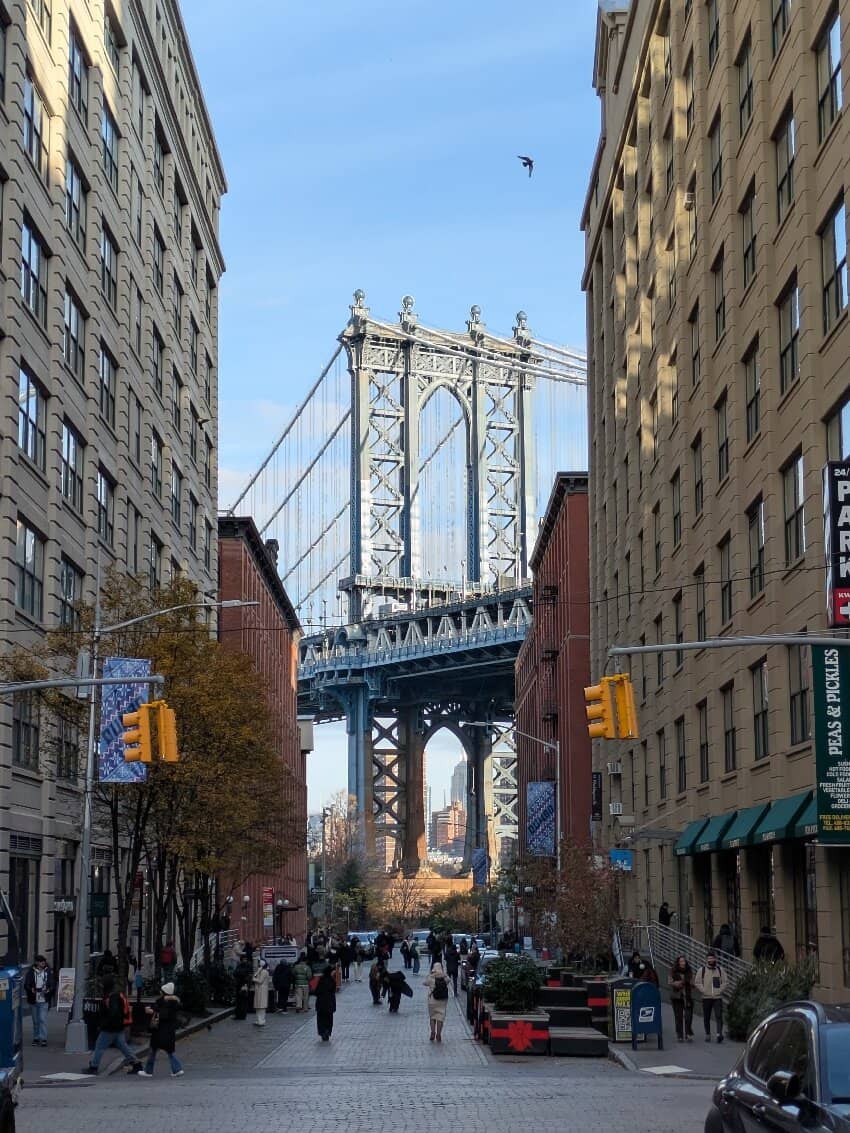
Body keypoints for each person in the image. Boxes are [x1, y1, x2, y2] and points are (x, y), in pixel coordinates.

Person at [83, 976, 143, 1075]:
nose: (101, 986)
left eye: (102, 984)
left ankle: (94, 1066)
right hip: (118, 1026)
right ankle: (136, 1063)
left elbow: (113, 1013)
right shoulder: (117, 994)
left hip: (110, 1027)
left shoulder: (111, 997)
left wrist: (103, 1024)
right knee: (123, 1046)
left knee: (99, 1046)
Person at [138, 981, 183, 1077]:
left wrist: (152, 1011)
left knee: (154, 1050)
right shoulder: (174, 1002)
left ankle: (149, 1071)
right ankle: (176, 1069)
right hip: (169, 1030)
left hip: (160, 1030)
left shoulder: (163, 1002)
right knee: (168, 1051)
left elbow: (163, 1014)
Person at [694, 950, 728, 1043]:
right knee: (706, 1016)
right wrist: (704, 990)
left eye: (713, 958)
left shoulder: (720, 970)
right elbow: (697, 982)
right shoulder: (702, 970)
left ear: (715, 959)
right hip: (706, 997)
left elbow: (725, 982)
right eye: (709, 958)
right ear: (706, 960)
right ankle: (708, 1034)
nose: (711, 960)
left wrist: (719, 990)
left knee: (719, 1016)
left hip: (718, 997)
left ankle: (719, 1034)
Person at [24, 955, 53, 1047]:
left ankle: (43, 1038)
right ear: (37, 962)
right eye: (41, 961)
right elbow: (26, 984)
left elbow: (52, 983)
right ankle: (36, 1037)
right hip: (34, 999)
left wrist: (49, 990)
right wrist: (30, 989)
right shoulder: (31, 972)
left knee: (42, 1019)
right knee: (36, 1020)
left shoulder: (48, 971)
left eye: (44, 961)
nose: (43, 963)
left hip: (44, 999)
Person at [669, 955, 694, 1042]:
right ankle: (680, 1034)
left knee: (688, 1016)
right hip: (677, 997)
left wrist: (692, 983)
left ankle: (688, 1033)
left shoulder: (689, 971)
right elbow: (670, 982)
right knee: (678, 1017)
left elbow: (693, 983)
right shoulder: (673, 971)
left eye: (684, 961)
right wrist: (680, 982)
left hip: (687, 996)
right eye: (681, 961)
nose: (683, 963)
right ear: (678, 963)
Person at [423, 961, 450, 1042]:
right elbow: (449, 980)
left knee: (432, 1017)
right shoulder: (445, 978)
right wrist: (443, 973)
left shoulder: (431, 978)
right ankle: (438, 1034)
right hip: (442, 1001)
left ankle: (432, 1033)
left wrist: (431, 973)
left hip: (432, 1000)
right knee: (440, 1018)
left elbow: (424, 983)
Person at [314, 965, 337, 1041]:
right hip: (330, 1003)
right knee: (329, 1019)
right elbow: (333, 991)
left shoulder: (321, 980)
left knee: (321, 1019)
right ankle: (327, 1031)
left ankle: (322, 1031)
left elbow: (316, 991)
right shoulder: (332, 981)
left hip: (321, 1003)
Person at [253, 959, 271, 1026]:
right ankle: (258, 1019)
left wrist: (254, 979)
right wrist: (257, 972)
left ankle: (261, 1020)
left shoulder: (264, 972)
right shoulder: (260, 971)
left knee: (261, 1005)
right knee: (258, 1005)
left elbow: (260, 981)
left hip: (262, 989)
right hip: (259, 989)